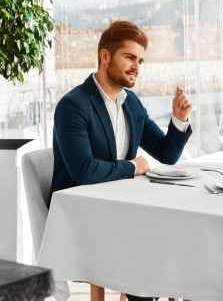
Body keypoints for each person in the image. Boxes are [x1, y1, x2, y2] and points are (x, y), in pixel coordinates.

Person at [51, 20, 193, 301]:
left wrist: (179, 119)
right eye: (129, 57)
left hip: (123, 209)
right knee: (147, 260)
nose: (137, 67)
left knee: (182, 245)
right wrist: (132, 166)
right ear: (105, 56)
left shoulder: (131, 103)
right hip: (83, 216)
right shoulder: (73, 105)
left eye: (140, 60)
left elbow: (166, 154)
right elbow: (83, 171)